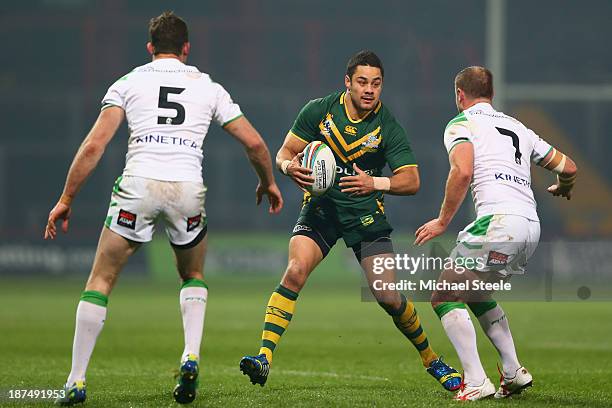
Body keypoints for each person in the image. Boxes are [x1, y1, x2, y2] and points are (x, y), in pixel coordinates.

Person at [44, 11, 283, 406]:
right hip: (186, 188)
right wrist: (268, 182)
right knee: (192, 273)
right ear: (186, 49)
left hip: (138, 184)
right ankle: (190, 354)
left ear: (151, 48)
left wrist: (67, 199)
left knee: (100, 281)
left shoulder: (129, 82)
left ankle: (76, 381)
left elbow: (93, 146)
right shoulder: (208, 86)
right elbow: (256, 144)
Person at [239, 50, 461, 392]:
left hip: (365, 215)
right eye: (362, 82)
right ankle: (263, 357)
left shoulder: (387, 125)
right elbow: (284, 152)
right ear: (348, 83)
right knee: (295, 270)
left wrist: (375, 182)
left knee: (388, 295)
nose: (369, 90)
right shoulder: (318, 110)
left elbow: (412, 180)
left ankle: (431, 358)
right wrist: (287, 168)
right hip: (322, 210)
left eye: (376, 83)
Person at [414, 66, 577, 401]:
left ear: (460, 94)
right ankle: (513, 371)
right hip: (530, 227)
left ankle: (476, 380)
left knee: (444, 293)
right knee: (471, 291)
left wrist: (443, 221)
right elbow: (569, 167)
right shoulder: (518, 126)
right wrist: (563, 187)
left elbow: (462, 172)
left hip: (499, 222)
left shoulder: (461, 124)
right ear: (491, 93)